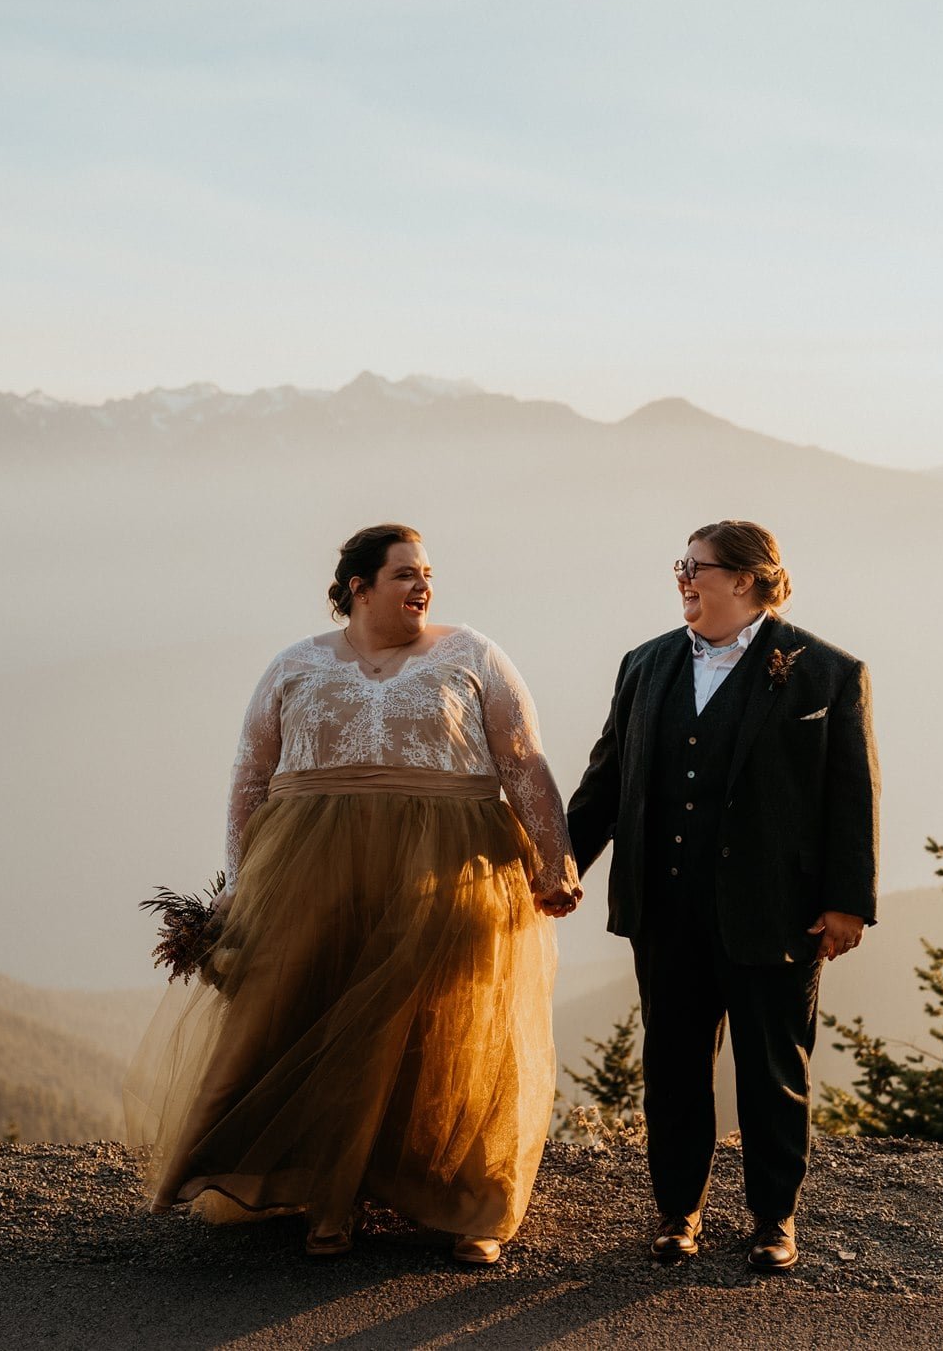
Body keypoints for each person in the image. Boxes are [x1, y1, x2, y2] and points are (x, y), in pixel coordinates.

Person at [125, 523, 582, 1265]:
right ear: (358, 587)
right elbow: (250, 778)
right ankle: (322, 1200)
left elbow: (523, 760)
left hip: (448, 870)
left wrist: (554, 857)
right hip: (311, 869)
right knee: (317, 1017)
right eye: (405, 573)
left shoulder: (473, 654)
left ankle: (471, 1207)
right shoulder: (294, 664)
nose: (423, 585)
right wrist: (240, 887)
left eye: (427, 572)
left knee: (447, 1035)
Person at [566, 519, 878, 1271]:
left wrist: (848, 901)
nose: (682, 577)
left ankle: (774, 1218)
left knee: (773, 1069)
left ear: (744, 579)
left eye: (694, 566)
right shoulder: (645, 665)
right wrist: (563, 861)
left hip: (777, 911)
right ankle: (678, 1212)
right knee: (672, 1066)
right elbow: (607, 780)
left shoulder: (827, 672)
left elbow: (852, 794)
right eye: (682, 564)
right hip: (664, 910)